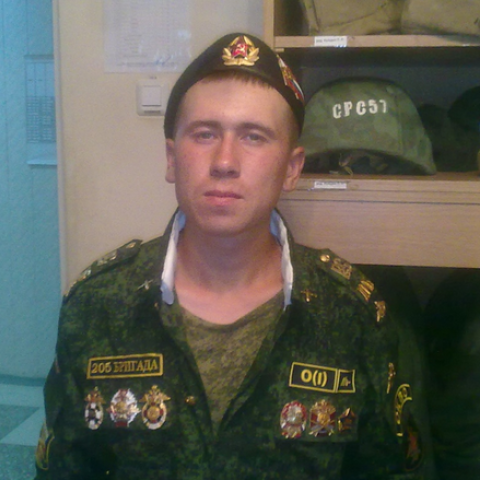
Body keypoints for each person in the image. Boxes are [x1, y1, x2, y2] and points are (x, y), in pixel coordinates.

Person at [34, 32, 436, 479]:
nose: (224, 161)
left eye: (254, 137)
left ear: (292, 169)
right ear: (172, 159)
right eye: (205, 134)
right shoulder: (97, 306)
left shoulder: (351, 314)